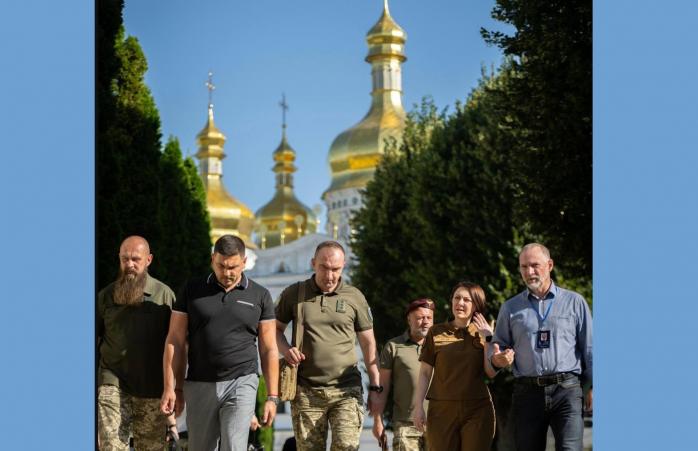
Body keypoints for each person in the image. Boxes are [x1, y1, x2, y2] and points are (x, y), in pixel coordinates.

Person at [160, 235, 279, 451]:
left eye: (233, 267)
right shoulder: (191, 290)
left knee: (234, 446)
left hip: (242, 381)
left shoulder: (260, 295)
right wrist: (172, 388)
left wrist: (272, 396)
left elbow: (269, 347)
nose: (227, 273)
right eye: (221, 266)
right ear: (212, 259)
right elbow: (175, 339)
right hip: (199, 383)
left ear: (244, 262)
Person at [275, 240, 381, 450]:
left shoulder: (354, 297)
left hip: (346, 390)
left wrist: (376, 387)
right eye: (324, 267)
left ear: (344, 266)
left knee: (346, 446)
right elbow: (274, 329)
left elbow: (369, 345)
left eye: (336, 269)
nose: (330, 275)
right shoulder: (294, 294)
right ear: (313, 263)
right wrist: (286, 350)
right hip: (307, 391)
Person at [491, 243, 593, 451]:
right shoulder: (510, 307)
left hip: (567, 390)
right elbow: (498, 345)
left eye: (535, 265)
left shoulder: (575, 302)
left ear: (550, 265)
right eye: (523, 267)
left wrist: (593, 386)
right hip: (527, 393)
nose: (529, 272)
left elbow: (589, 348)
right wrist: (498, 359)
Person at [97, 235, 178, 450]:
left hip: (151, 386)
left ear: (148, 260)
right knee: (111, 445)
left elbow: (176, 344)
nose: (130, 265)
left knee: (151, 447)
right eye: (125, 259)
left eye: (135, 259)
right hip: (113, 380)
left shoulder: (164, 295)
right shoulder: (106, 296)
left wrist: (172, 388)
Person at [413, 282, 497, 451]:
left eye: (467, 299)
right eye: (457, 298)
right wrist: (418, 407)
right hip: (441, 411)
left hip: (477, 410)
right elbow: (424, 373)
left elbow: (491, 372)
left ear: (476, 305)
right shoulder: (435, 332)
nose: (460, 303)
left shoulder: (486, 331)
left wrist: (488, 338)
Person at [372, 298, 435, 451]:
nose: (425, 322)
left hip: (438, 423)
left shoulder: (441, 346)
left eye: (429, 318)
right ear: (409, 319)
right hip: (405, 424)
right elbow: (383, 387)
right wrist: (377, 420)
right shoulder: (393, 347)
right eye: (420, 318)